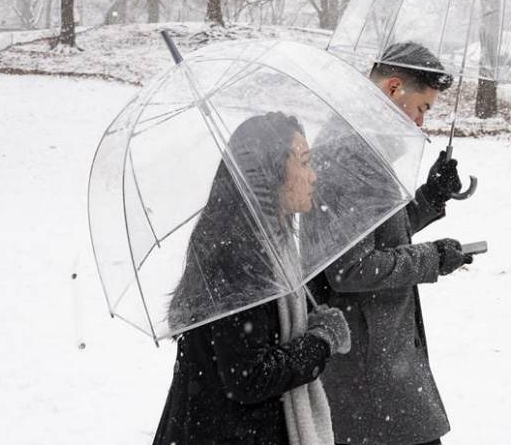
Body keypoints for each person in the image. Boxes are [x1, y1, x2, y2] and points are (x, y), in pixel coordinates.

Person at [154, 112, 352, 445]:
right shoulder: (239, 256)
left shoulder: (273, 243)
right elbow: (248, 376)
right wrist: (321, 341)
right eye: (304, 164)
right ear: (270, 173)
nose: (314, 176)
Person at [312, 42, 473, 445]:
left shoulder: (364, 145)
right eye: (421, 108)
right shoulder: (349, 152)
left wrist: (429, 198)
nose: (421, 122)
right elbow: (350, 268)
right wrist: (433, 257)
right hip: (369, 368)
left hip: (383, 357)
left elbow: (380, 232)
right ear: (394, 87)